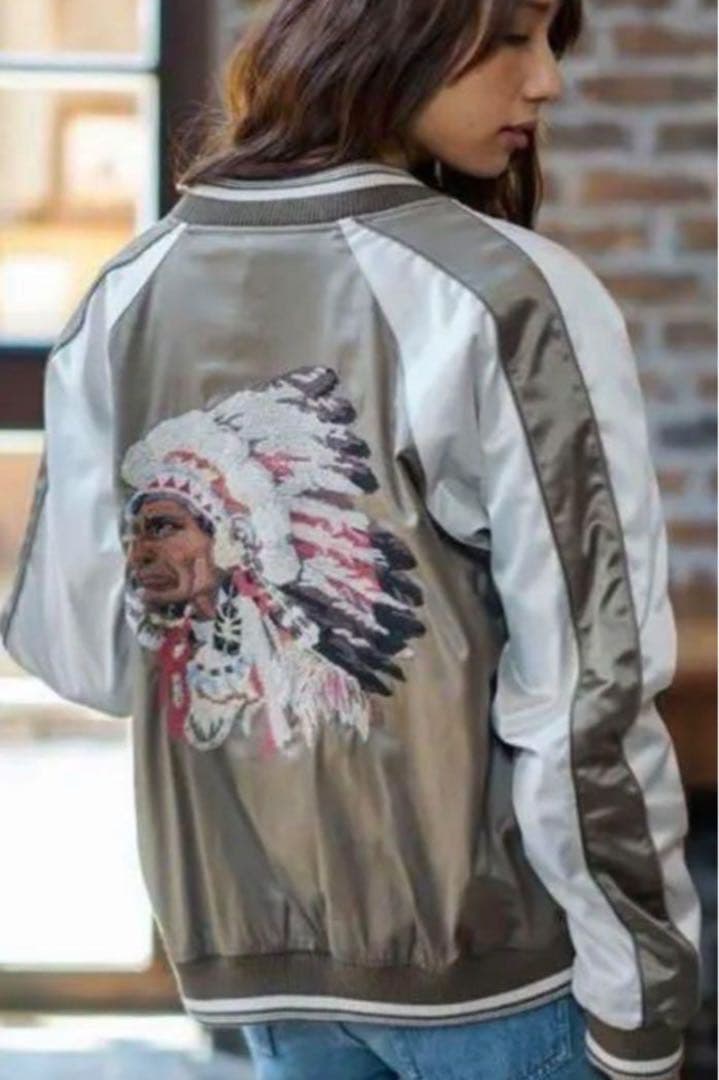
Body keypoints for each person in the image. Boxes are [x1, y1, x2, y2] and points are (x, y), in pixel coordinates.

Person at [0, 0, 701, 1076]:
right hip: (501, 974)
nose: (545, 82)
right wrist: (642, 1007)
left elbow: (83, 653)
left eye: (546, 44)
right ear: (387, 31)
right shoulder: (502, 290)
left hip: (257, 964)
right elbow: (584, 695)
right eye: (509, 38)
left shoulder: (132, 286)